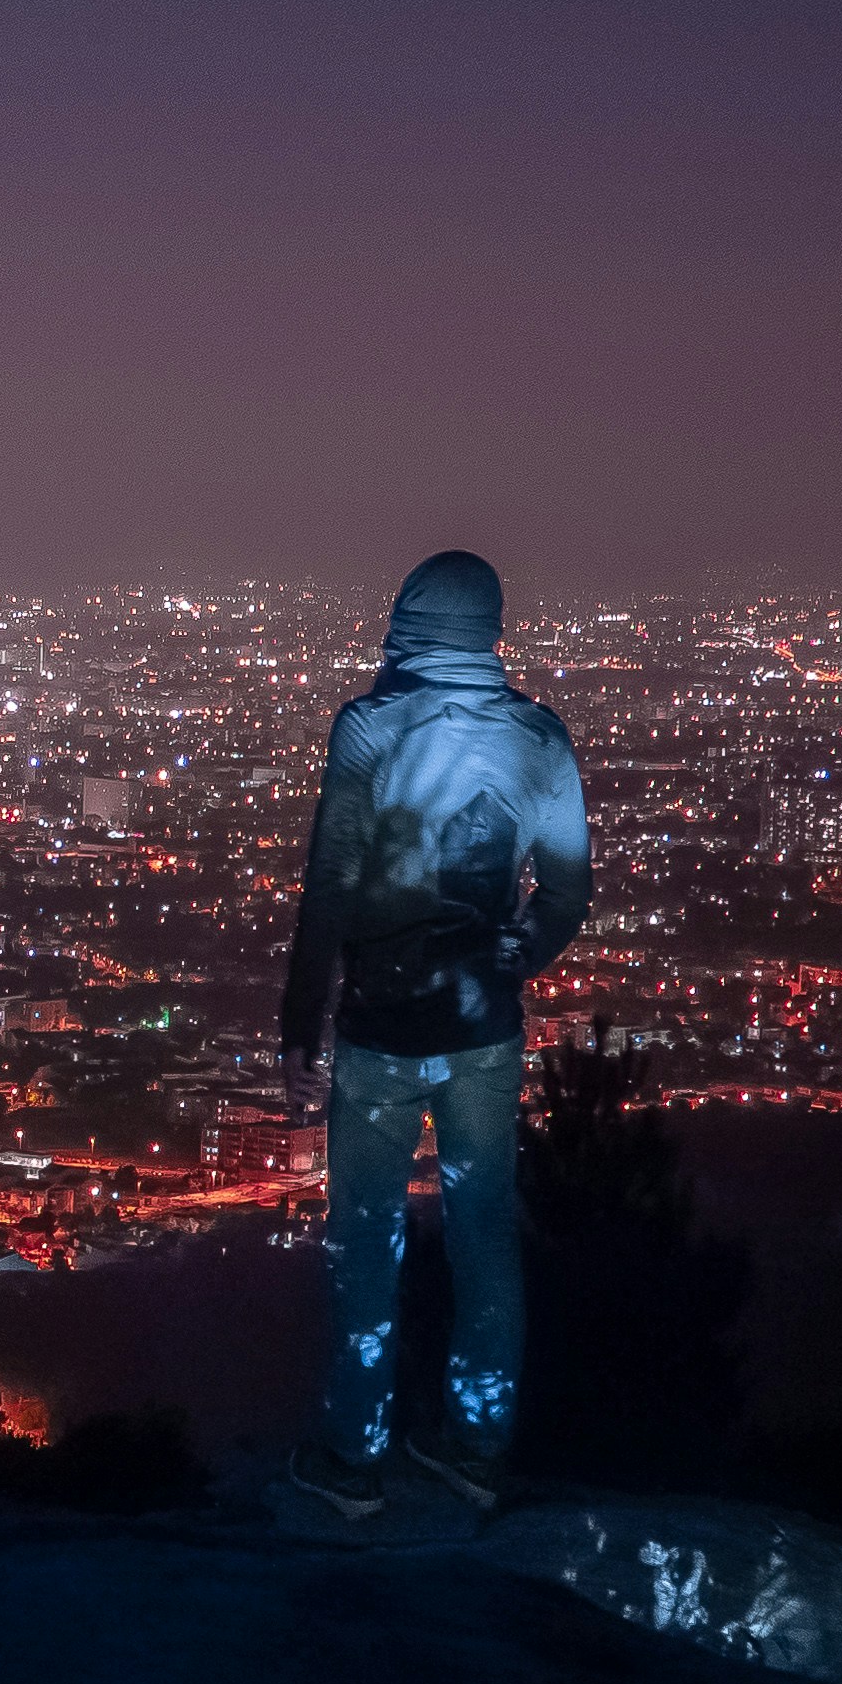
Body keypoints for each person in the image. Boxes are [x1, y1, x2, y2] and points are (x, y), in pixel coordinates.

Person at [277, 550, 591, 1518]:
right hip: (483, 1032)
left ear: (406, 620)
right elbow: (567, 890)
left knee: (365, 1241)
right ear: (489, 627)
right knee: (483, 1238)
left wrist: (300, 1018)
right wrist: (510, 958)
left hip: (378, 1028)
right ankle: (472, 1450)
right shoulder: (537, 736)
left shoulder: (370, 726)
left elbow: (329, 885)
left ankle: (352, 1458)